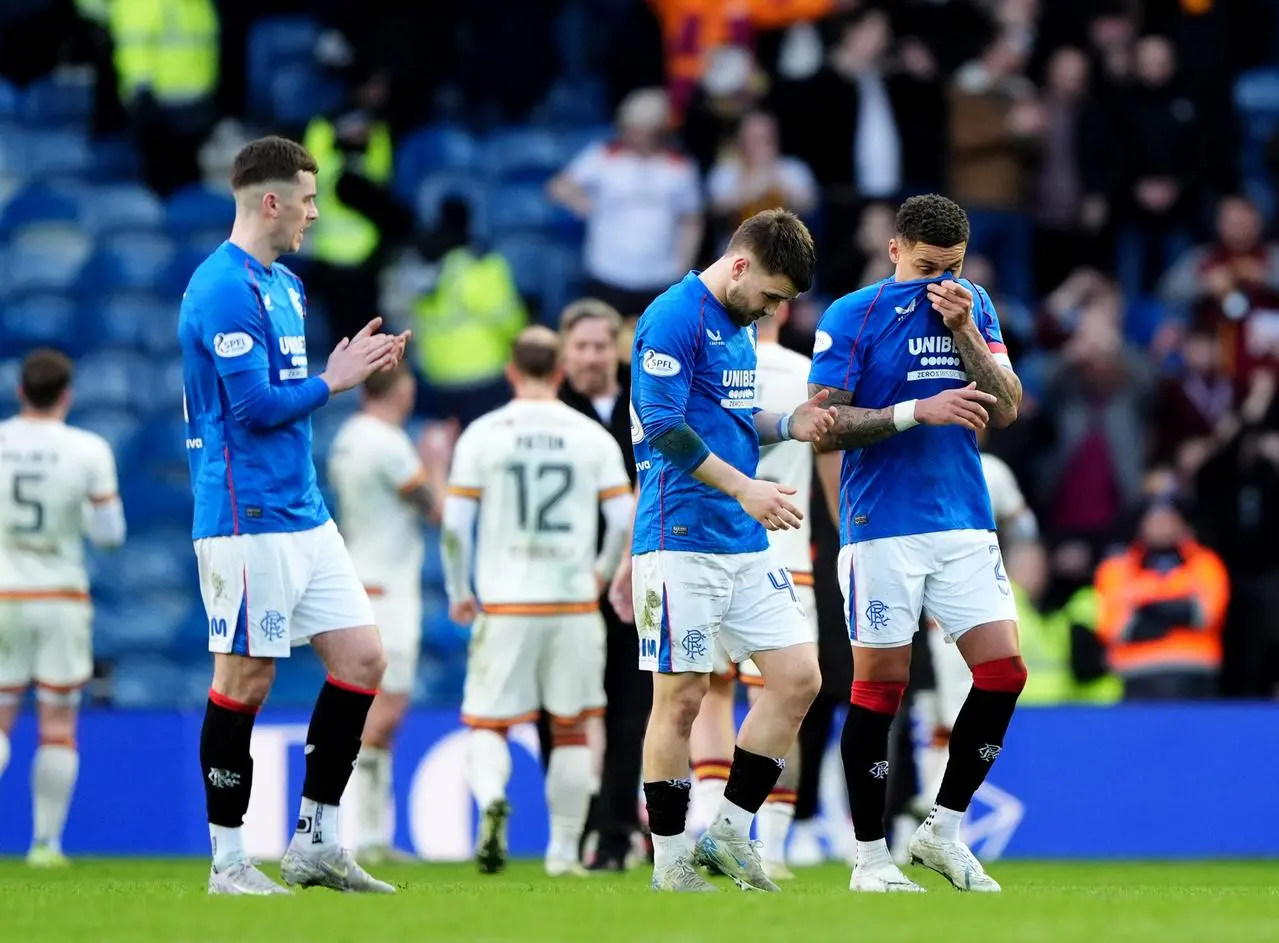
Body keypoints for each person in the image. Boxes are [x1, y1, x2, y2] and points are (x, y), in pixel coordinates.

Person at [179, 135, 409, 896]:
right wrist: (334, 380)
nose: (315, 212)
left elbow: (287, 392)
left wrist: (344, 369)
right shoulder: (220, 287)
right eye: (307, 199)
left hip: (302, 512)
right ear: (269, 201)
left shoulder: (283, 285)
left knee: (363, 660)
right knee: (244, 679)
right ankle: (228, 861)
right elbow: (250, 409)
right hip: (245, 515)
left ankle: (315, 838)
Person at [611, 207, 835, 892]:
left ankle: (732, 832)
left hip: (741, 539)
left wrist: (787, 423)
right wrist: (745, 488)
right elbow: (662, 427)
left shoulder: (737, 325)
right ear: (739, 265)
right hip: (679, 536)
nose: (771, 311)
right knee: (678, 699)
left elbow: (733, 419)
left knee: (798, 678)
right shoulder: (673, 316)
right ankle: (671, 857)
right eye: (769, 294)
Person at [808, 193, 1025, 893]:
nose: (942, 282)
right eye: (930, 267)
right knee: (879, 689)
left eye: (953, 269)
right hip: (882, 527)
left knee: (1003, 675)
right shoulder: (851, 314)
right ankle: (869, 858)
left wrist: (964, 331)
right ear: (894, 248)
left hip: (963, 517)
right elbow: (822, 422)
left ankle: (941, 830)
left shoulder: (972, 304)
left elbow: (1008, 401)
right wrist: (913, 411)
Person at [440, 326, 634, 878]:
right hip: (573, 604)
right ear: (560, 371)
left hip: (506, 603)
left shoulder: (483, 433)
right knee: (573, 728)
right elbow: (622, 517)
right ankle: (564, 851)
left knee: (489, 724)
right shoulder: (588, 435)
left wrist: (460, 591)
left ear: (510, 371)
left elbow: (455, 525)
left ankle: (493, 797)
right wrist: (600, 572)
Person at [685, 298, 827, 881]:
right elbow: (834, 468)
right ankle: (769, 843)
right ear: (783, 311)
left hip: (714, 549)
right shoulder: (806, 377)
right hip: (787, 555)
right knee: (784, 696)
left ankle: (709, 822)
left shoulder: (707, 368)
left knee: (709, 695)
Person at [0, 349, 126, 867]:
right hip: (60, 598)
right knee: (57, 725)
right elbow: (112, 537)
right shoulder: (88, 449)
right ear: (67, 395)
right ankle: (46, 845)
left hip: (3, 593)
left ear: (20, 391)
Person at [554, 299, 648, 871]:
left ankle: (614, 834)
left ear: (614, 346)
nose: (590, 356)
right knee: (562, 709)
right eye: (580, 347)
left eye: (598, 345)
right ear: (565, 353)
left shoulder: (646, 399)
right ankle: (581, 824)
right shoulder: (548, 411)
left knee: (629, 712)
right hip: (564, 585)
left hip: (634, 582)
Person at [327, 363, 435, 863]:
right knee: (384, 711)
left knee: (376, 713)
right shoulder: (389, 444)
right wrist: (438, 459)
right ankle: (364, 834)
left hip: (362, 580)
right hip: (386, 590)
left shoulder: (348, 436)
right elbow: (434, 507)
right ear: (402, 390)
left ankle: (369, 833)